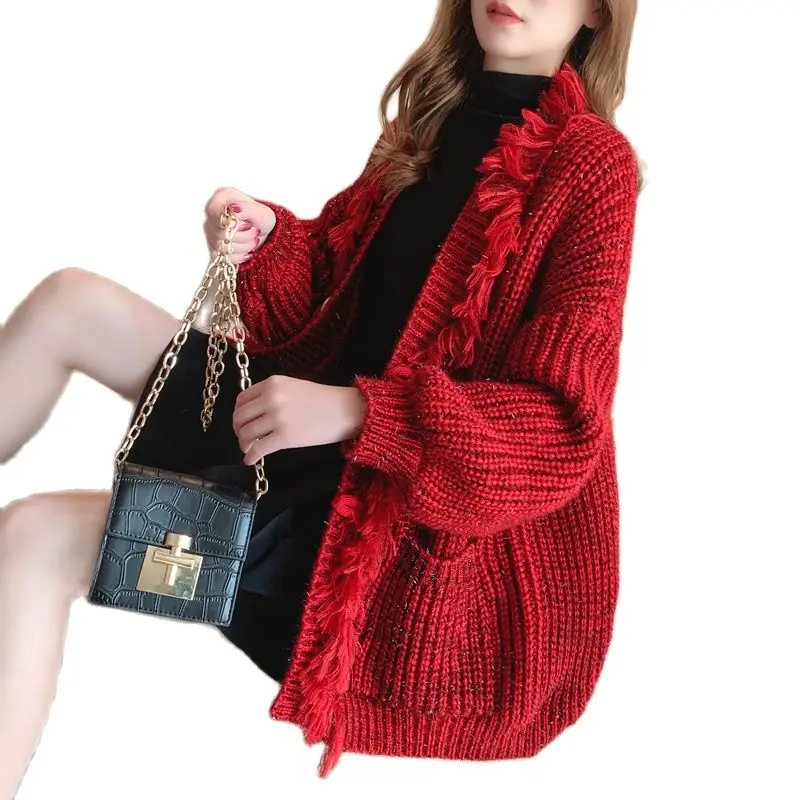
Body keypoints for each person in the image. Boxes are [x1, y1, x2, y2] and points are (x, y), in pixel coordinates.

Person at [0, 0, 642, 791]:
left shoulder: (591, 165)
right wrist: (266, 238)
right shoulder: (429, 122)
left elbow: (560, 432)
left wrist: (363, 413)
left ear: (598, 12)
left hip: (379, 546)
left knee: (35, 535)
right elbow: (331, 294)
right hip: (301, 439)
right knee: (71, 301)